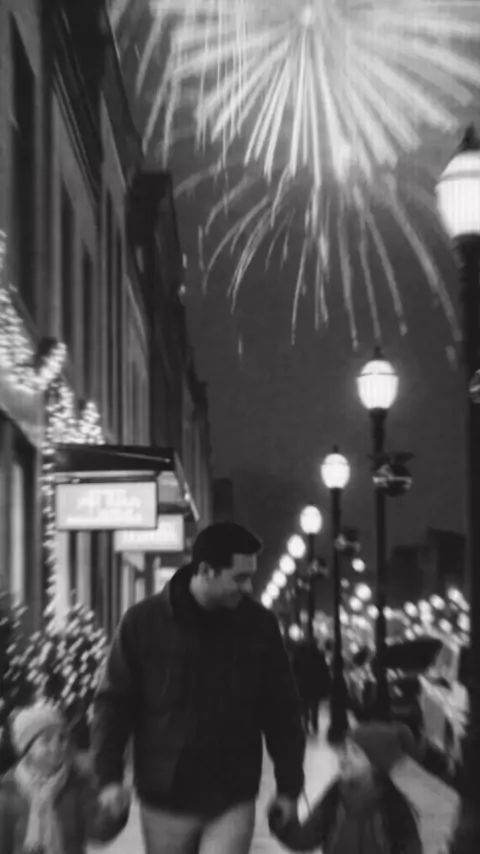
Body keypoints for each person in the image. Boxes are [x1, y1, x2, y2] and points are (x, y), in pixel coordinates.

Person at [91, 521, 306, 854]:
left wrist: (289, 787)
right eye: (239, 577)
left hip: (232, 796)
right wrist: (108, 778)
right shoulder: (142, 623)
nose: (248, 587)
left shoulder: (259, 627)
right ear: (206, 570)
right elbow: (114, 705)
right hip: (164, 799)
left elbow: (282, 710)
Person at [269, 721, 423, 854]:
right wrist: (282, 821)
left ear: (375, 764)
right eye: (344, 749)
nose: (344, 757)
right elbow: (307, 838)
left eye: (355, 753)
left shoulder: (394, 808)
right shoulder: (336, 794)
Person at [0, 702, 129, 854]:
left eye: (61, 738)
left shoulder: (78, 783)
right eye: (46, 740)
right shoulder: (8, 791)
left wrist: (112, 811)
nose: (56, 746)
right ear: (27, 749)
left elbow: (98, 832)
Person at [291, 637, 331, 735]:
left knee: (305, 705)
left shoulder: (298, 655)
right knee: (314, 705)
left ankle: (306, 724)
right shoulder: (319, 655)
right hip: (314, 683)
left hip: (302, 683)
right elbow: (324, 670)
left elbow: (294, 669)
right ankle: (314, 724)